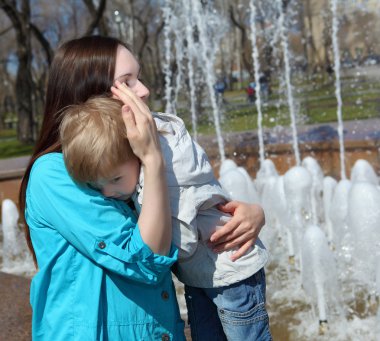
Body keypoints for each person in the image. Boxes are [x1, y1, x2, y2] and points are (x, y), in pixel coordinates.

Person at [18, 35, 266, 340]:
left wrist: (247, 215)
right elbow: (145, 259)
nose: (144, 90)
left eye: (139, 77)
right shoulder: (55, 173)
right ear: (91, 93)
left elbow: (186, 213)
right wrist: (152, 159)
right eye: (128, 81)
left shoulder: (124, 158)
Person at [59, 86, 271, 340]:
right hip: (201, 276)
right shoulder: (133, 177)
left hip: (233, 273)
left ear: (134, 152)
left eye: (114, 179)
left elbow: (183, 244)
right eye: (97, 186)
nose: (107, 192)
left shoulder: (163, 178)